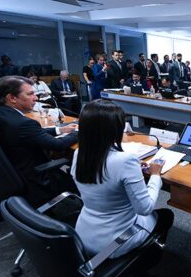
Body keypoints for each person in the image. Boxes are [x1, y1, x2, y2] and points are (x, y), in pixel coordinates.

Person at [71, 100, 174, 257]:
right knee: (166, 215)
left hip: (84, 232)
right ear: (113, 130)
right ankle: (145, 260)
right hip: (115, 240)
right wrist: (154, 175)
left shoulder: (79, 153)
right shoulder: (124, 160)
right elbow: (145, 209)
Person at [0, 76, 78, 205]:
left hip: (13, 174)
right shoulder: (23, 123)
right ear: (12, 98)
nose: (36, 98)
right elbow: (58, 145)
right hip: (36, 179)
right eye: (30, 94)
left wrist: (59, 130)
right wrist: (79, 132)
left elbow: (31, 134)